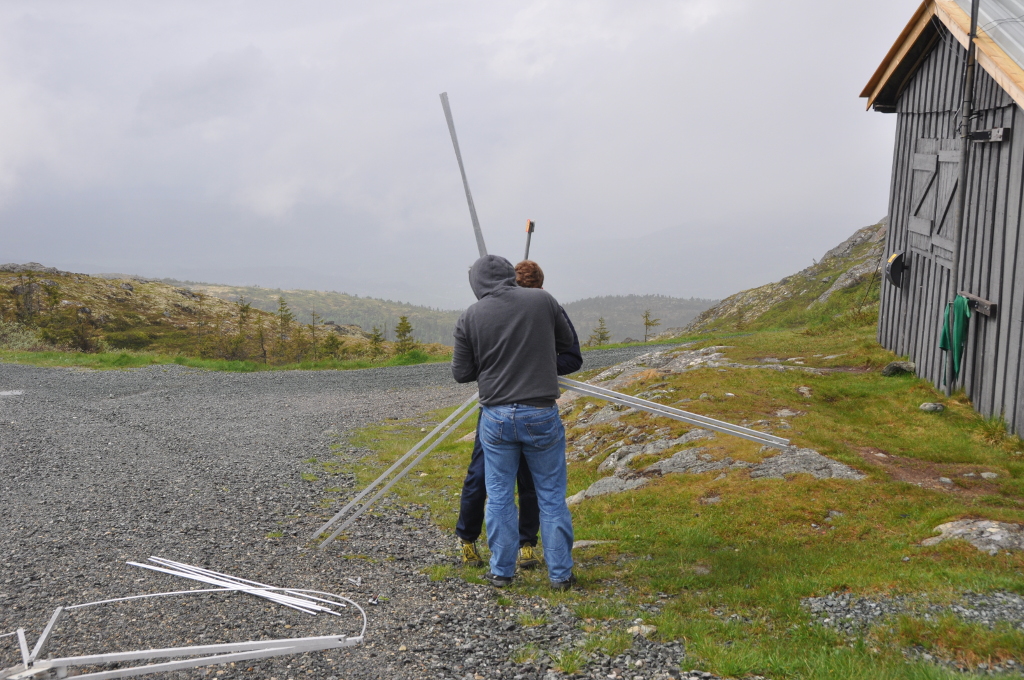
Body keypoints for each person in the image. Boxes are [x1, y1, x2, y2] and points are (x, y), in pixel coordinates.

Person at [452, 254, 578, 590]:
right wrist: (532, 360)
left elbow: (461, 373)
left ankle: (502, 572)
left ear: (476, 282)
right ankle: (561, 575)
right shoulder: (543, 300)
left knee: (499, 496)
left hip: (495, 416)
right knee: (551, 496)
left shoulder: (470, 315)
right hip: (540, 412)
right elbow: (569, 351)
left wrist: (496, 363)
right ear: (510, 274)